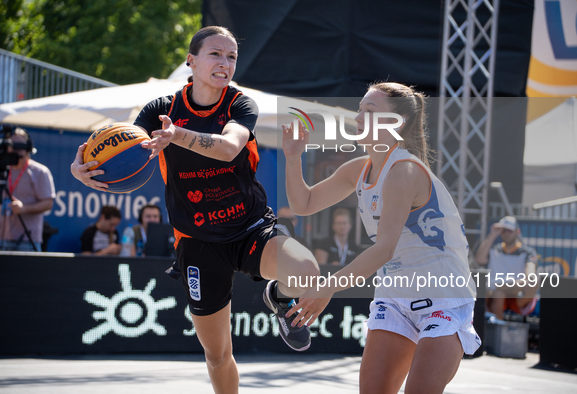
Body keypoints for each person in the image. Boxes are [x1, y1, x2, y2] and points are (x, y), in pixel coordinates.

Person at [70, 26, 319, 394]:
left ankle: (279, 297)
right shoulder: (160, 110)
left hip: (249, 228)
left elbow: (230, 147)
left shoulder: (240, 104)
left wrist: (178, 136)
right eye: (215, 54)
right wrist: (85, 170)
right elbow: (128, 150)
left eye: (231, 56)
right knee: (217, 354)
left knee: (308, 273)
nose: (225, 62)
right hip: (198, 241)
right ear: (192, 60)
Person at [283, 82, 480, 394]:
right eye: (360, 108)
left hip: (444, 296)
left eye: (369, 110)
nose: (359, 117)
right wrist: (293, 157)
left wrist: (328, 286)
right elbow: (303, 204)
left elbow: (384, 248)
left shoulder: (404, 170)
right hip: (396, 295)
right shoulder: (360, 168)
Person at [0, 127, 55, 252]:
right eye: (12, 145)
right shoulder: (1, 171)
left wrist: (24, 208)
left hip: (27, 240)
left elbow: (48, 203)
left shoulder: (39, 172)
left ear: (28, 148)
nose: (15, 150)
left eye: (19, 146)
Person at [475, 216, 539, 320]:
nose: (506, 233)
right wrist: (492, 234)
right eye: (503, 230)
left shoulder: (527, 252)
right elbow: (480, 259)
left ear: (517, 232)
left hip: (517, 294)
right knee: (498, 294)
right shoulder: (495, 249)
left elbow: (530, 277)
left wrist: (506, 286)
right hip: (495, 294)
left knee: (534, 281)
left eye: (509, 230)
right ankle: (498, 331)